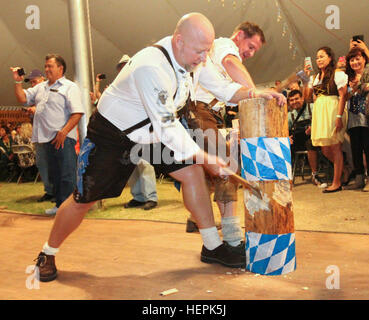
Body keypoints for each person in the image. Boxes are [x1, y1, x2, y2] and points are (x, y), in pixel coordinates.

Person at [30, 13, 285, 282]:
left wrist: (255, 93)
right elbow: (167, 127)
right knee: (84, 199)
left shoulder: (195, 58)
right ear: (179, 41)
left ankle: (212, 247)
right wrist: (206, 156)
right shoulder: (150, 67)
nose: (203, 58)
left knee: (191, 172)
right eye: (200, 51)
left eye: (206, 51)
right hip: (114, 136)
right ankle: (48, 252)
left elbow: (223, 87)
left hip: (153, 135)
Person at [185, 21, 266, 250]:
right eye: (250, 46)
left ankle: (196, 219)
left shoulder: (214, 62)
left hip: (208, 112)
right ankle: (231, 239)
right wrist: (257, 93)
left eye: (254, 51)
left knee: (199, 173)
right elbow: (230, 61)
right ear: (239, 35)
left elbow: (230, 94)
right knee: (226, 167)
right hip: (198, 110)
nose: (249, 53)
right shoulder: (223, 46)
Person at [11, 54, 85, 215]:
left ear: (61, 68)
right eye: (45, 66)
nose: (46, 69)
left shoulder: (69, 87)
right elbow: (23, 98)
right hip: (44, 138)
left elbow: (77, 113)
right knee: (54, 175)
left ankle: (70, 208)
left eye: (50, 66)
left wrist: (64, 132)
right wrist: (17, 81)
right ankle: (60, 205)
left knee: (67, 173)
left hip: (63, 138)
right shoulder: (41, 87)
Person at [304, 47, 348, 193]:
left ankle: (336, 183)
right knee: (324, 148)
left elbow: (343, 96)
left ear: (330, 58)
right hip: (320, 112)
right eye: (317, 57)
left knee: (335, 146)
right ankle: (345, 169)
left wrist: (339, 116)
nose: (319, 60)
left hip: (333, 110)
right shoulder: (316, 77)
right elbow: (307, 97)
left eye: (322, 56)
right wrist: (306, 77)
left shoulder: (338, 74)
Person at [22, 69, 55, 202]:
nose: (32, 85)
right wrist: (31, 113)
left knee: (54, 164)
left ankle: (58, 191)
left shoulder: (51, 89)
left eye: (34, 81)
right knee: (42, 164)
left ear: (42, 79)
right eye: (31, 83)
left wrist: (36, 109)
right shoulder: (35, 96)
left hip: (52, 134)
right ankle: (49, 191)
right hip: (39, 135)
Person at [288, 89, 327, 188]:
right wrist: (286, 137)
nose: (294, 102)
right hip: (298, 141)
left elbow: (323, 121)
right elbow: (284, 131)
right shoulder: (289, 115)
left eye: (296, 99)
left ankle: (314, 175)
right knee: (284, 144)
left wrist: (314, 128)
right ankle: (285, 177)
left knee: (310, 142)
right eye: (291, 100)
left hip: (316, 139)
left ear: (302, 98)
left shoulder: (313, 108)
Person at [344, 46, 369, 190]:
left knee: (368, 147)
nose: (355, 62)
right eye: (352, 60)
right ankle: (359, 179)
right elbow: (345, 97)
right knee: (356, 149)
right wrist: (352, 88)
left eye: (357, 59)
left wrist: (362, 85)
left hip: (366, 117)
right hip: (353, 119)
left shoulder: (367, 73)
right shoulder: (347, 78)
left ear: (364, 59)